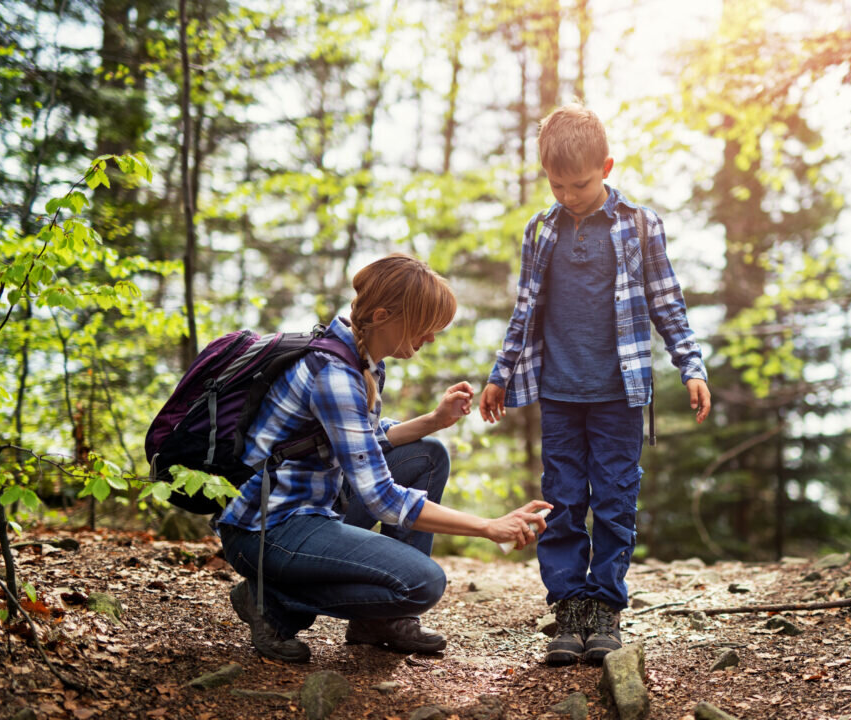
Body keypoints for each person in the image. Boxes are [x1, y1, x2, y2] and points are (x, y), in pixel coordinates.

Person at [217, 253, 551, 663]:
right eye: (425, 326)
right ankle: (270, 601)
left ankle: (378, 622)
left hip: (315, 507)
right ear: (383, 315)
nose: (431, 337)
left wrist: (434, 420)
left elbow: (367, 442)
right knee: (421, 584)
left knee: (428, 456)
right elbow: (382, 498)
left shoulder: (361, 360)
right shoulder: (334, 374)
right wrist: (488, 527)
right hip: (268, 530)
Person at [479, 103, 711, 666]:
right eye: (557, 184)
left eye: (579, 183)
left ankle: (604, 605)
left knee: (613, 500)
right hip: (558, 394)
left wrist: (692, 365)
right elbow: (525, 311)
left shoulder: (638, 225)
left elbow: (666, 302)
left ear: (606, 166)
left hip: (620, 396)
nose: (568, 194)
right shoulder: (541, 230)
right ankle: (568, 605)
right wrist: (500, 375)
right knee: (561, 499)